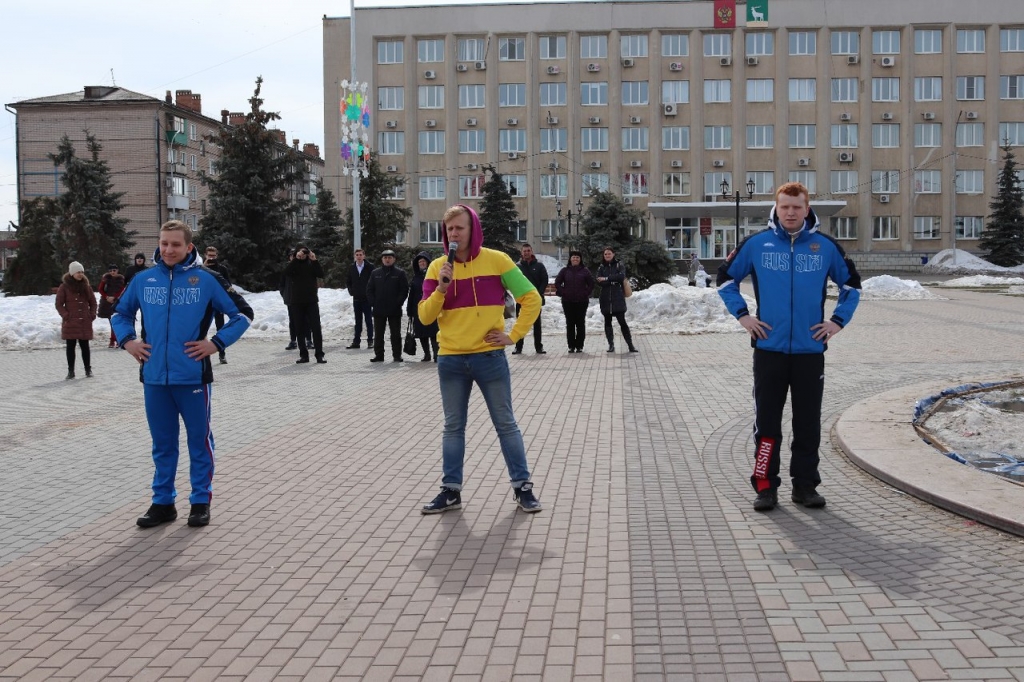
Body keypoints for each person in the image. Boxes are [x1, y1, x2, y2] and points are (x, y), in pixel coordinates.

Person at [717, 181, 862, 512]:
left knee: (808, 422)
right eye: (785, 206)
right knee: (767, 423)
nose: (791, 212)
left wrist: (837, 322)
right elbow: (725, 280)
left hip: (810, 353)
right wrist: (743, 317)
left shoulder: (825, 247)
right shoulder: (757, 245)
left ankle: (805, 485)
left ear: (807, 209)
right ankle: (765, 486)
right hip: (769, 350)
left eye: (797, 207)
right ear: (777, 208)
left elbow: (852, 285)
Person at [112, 220, 253, 528]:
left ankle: (200, 501)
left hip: (192, 378)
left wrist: (215, 343)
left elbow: (242, 314)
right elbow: (119, 313)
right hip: (154, 378)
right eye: (164, 243)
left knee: (198, 441)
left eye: (175, 244)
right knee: (162, 444)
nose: (168, 250)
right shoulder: (143, 280)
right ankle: (163, 503)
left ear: (189, 247)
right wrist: (128, 341)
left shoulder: (207, 279)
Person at [418, 204, 543, 514]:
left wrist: (513, 336)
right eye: (449, 229)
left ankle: (522, 487)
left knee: (505, 424)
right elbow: (424, 316)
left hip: (489, 357)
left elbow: (532, 298)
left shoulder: (496, 260)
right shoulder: (437, 268)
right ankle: (450, 490)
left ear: (472, 229)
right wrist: (442, 289)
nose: (454, 234)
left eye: (460, 227)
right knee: (453, 427)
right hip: (451, 359)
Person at [284, 245, 326, 364]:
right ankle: (304, 355)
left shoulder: (311, 264)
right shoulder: (294, 264)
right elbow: (287, 272)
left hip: (311, 301)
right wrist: (296, 258)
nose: (302, 255)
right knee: (299, 329)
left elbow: (320, 274)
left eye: (304, 253)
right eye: (300, 252)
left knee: (316, 328)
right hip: (296, 302)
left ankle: (319, 354)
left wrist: (314, 260)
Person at [55, 261, 97, 380]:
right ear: (72, 273)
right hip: (71, 322)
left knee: (85, 346)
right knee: (70, 346)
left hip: (84, 321)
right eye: (78, 272)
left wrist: (92, 314)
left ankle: (88, 369)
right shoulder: (64, 287)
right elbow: (59, 304)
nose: (80, 274)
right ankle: (71, 371)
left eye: (82, 272)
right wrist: (66, 315)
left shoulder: (86, 286)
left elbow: (93, 302)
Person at [366, 248, 408, 363]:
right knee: (379, 334)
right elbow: (369, 290)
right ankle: (379, 355)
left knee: (395, 334)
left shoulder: (400, 273)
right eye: (385, 258)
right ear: (382, 260)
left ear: (394, 259)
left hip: (394, 309)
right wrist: (373, 303)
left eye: (389, 257)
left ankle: (397, 355)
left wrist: (398, 303)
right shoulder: (375, 273)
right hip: (379, 309)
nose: (387, 260)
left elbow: (404, 290)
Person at [596, 247, 637, 353]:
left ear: (613, 254)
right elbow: (598, 281)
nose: (607, 256)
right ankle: (611, 345)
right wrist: (611, 280)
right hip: (605, 297)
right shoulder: (601, 267)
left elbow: (621, 276)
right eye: (605, 254)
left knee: (622, 321)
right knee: (607, 322)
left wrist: (606, 278)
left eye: (609, 254)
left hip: (617, 296)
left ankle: (630, 345)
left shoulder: (619, 265)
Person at [553, 250, 595, 353]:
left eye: (577, 257)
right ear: (570, 259)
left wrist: (585, 293)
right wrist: (563, 292)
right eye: (573, 257)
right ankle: (571, 346)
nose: (575, 259)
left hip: (582, 301)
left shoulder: (585, 271)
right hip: (568, 301)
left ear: (580, 259)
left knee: (580, 323)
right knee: (570, 324)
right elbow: (557, 282)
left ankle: (579, 345)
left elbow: (591, 284)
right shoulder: (565, 271)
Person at [512, 243, 548, 355]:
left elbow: (544, 280)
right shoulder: (517, 267)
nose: (526, 253)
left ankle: (539, 347)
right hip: (522, 301)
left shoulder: (539, 266)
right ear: (521, 252)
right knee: (520, 324)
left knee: (537, 325)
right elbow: (513, 282)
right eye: (524, 251)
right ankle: (518, 347)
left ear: (531, 251)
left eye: (528, 250)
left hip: (535, 301)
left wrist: (538, 294)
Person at [408, 251, 439, 362]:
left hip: (432, 307)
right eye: (420, 262)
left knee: (434, 333)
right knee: (421, 334)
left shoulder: (433, 275)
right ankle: (427, 354)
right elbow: (411, 295)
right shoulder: (415, 278)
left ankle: (436, 354)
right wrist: (409, 311)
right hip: (418, 309)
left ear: (427, 263)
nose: (421, 263)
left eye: (423, 261)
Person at [203, 246, 231, 364]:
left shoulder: (222, 269)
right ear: (205, 255)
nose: (212, 258)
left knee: (221, 328)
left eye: (213, 256)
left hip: (218, 303)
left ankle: (222, 353)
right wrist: (204, 266)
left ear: (217, 256)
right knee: (202, 328)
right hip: (205, 304)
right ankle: (202, 353)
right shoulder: (201, 269)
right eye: (209, 255)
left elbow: (228, 285)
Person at [346, 248, 374, 349]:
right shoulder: (352, 267)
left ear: (364, 256)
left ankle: (370, 340)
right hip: (356, 299)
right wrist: (351, 291)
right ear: (355, 256)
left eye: (360, 255)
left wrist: (370, 294)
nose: (359, 257)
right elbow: (348, 281)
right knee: (358, 322)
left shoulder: (369, 267)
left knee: (368, 321)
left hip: (366, 299)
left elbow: (373, 281)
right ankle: (356, 342)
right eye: (357, 255)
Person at [97, 263, 126, 348]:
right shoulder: (105, 279)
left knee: (115, 321)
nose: (112, 272)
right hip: (107, 303)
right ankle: (113, 340)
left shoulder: (121, 279)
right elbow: (100, 289)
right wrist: (107, 297)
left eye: (114, 270)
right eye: (110, 271)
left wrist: (115, 297)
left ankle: (116, 339)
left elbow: (122, 289)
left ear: (117, 271)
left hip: (117, 302)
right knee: (111, 322)